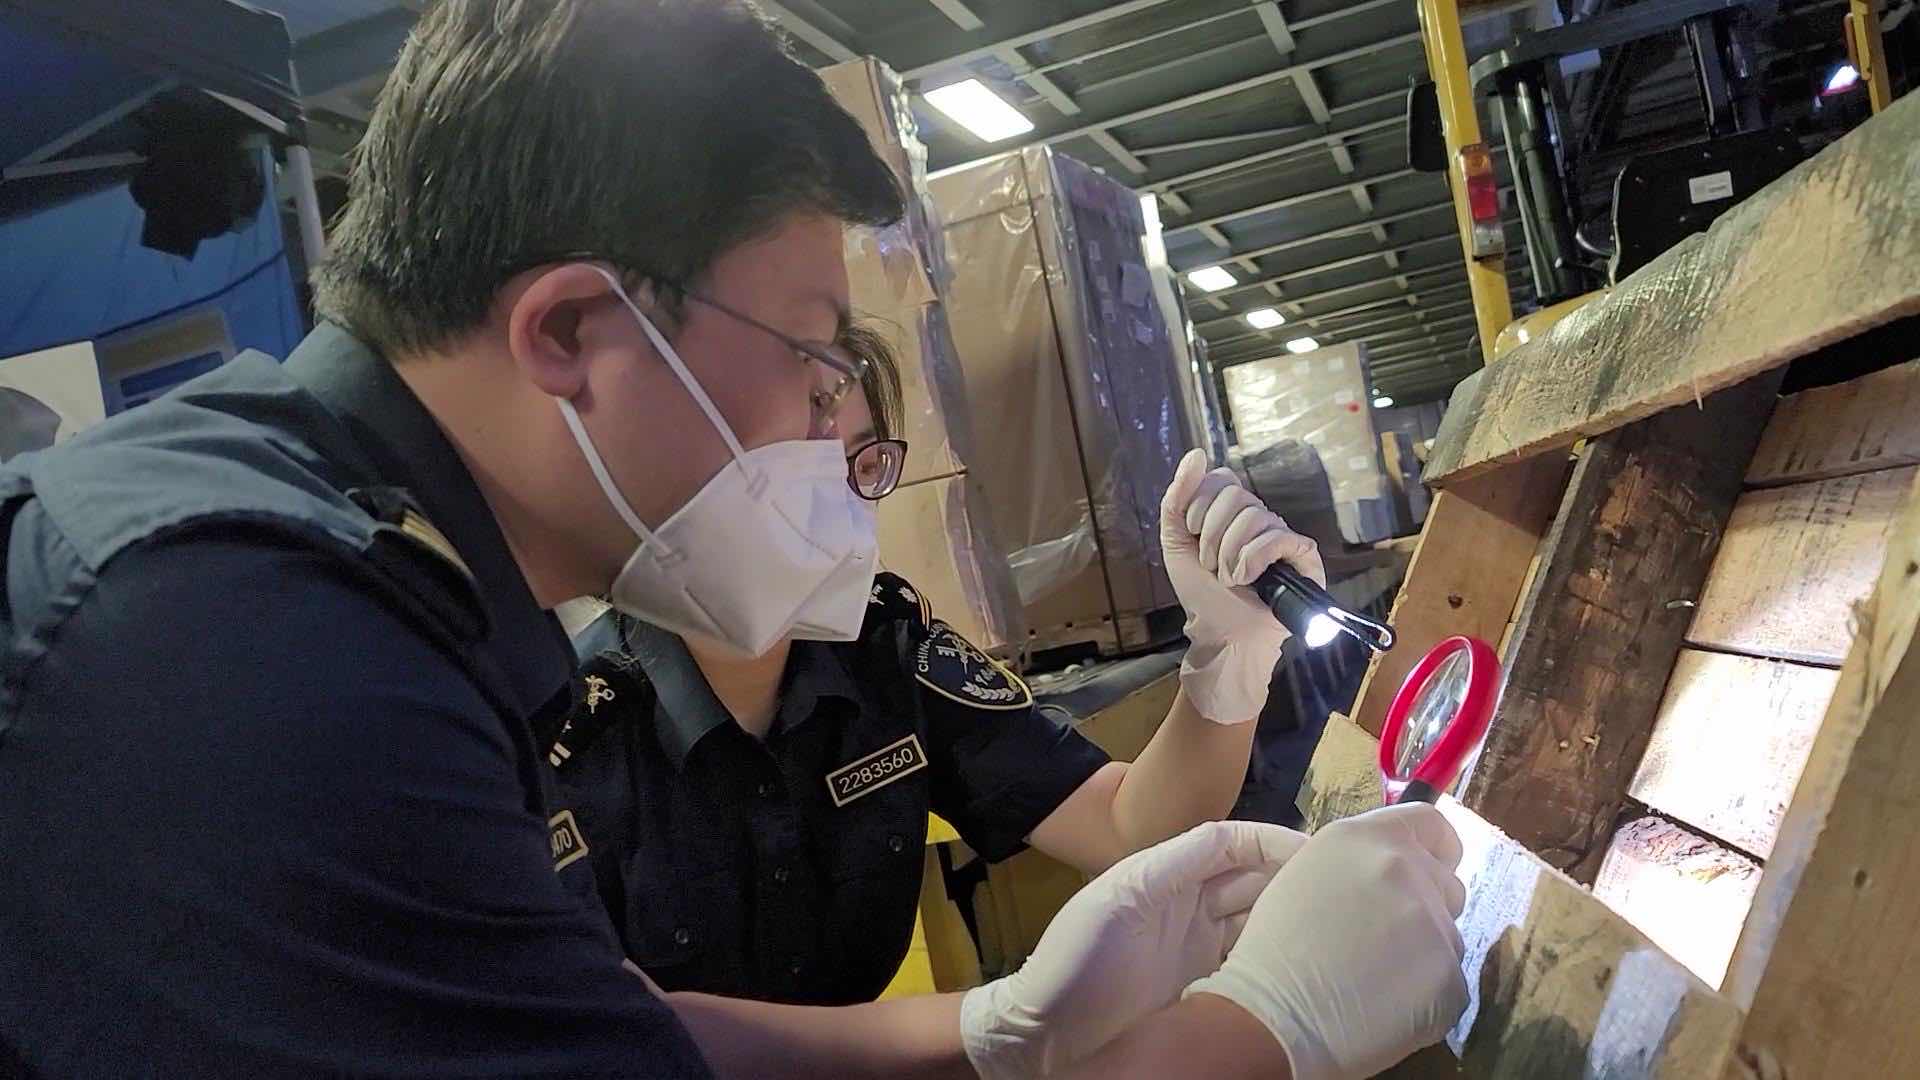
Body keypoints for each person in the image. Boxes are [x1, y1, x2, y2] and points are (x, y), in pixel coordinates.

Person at [0, 1, 1467, 1077]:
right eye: (813, 359)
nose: (832, 446)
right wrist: (1256, 1034)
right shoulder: (251, 650)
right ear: (571, 330)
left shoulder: (367, 576)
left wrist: (993, 1029)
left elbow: (600, 1018)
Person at [548, 322, 1327, 1005]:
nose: (838, 505)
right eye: (798, 468)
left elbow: (1126, 826)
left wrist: (1228, 659)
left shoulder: (887, 650)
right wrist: (986, 1027)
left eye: (859, 463)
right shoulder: (565, 734)